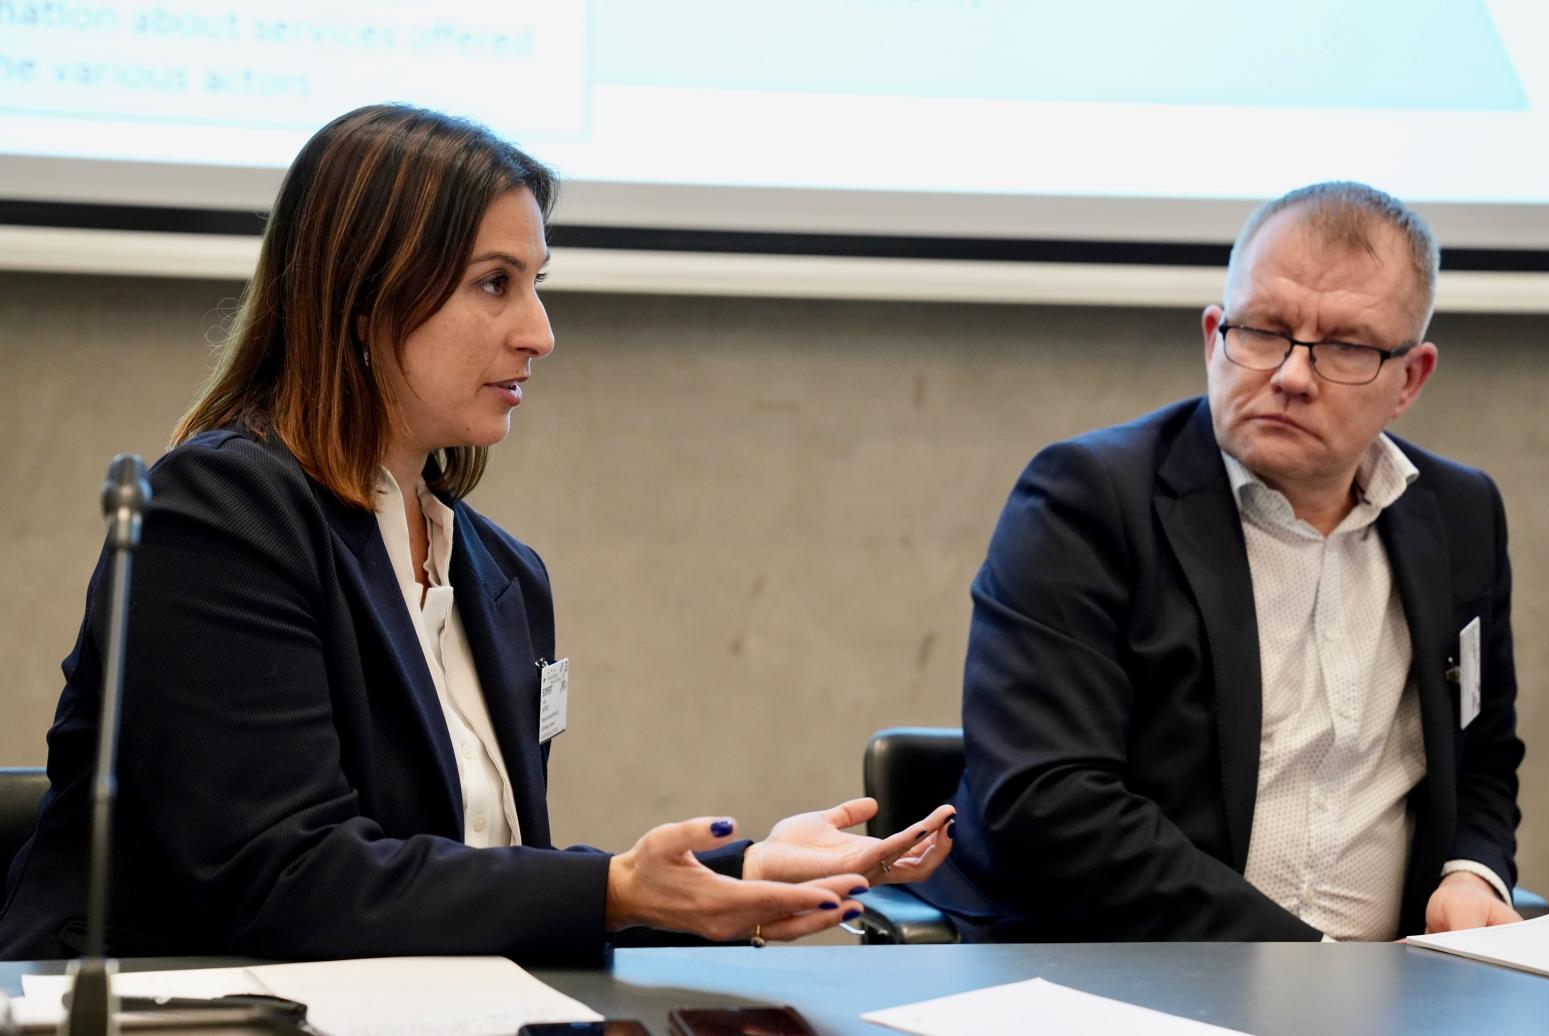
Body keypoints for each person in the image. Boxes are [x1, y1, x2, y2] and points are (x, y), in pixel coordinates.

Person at [0, 104, 953, 963]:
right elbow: (288, 881)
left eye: (536, 282)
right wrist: (614, 891)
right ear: (363, 301)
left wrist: (742, 875)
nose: (539, 331)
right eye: (494, 284)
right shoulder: (220, 514)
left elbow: (481, 880)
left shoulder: (504, 575)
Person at [919, 181, 1522, 942]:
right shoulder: (1087, 500)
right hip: (1129, 970)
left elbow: (1482, 755)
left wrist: (1471, 872)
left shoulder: (1460, 515)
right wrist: (1307, 965)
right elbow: (1050, 803)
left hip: (1399, 981)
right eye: (1263, 331)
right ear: (1214, 337)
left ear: (1409, 378)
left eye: (1345, 347)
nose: (1291, 376)